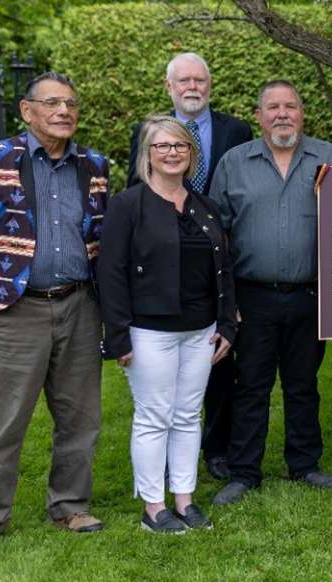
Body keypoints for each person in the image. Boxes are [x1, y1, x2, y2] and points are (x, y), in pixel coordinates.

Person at [0, 72, 109, 556]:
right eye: (52, 103)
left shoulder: (95, 166)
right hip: (13, 312)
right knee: (2, 421)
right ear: (27, 111)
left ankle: (70, 505)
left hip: (80, 306)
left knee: (79, 418)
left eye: (71, 104)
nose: (64, 112)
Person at [208, 80, 332, 506]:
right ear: (259, 115)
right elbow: (217, 234)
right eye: (273, 107)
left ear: (302, 113)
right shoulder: (234, 163)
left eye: (290, 106)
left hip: (311, 295)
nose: (282, 114)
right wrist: (226, 303)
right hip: (253, 297)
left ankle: (305, 463)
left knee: (303, 384)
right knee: (250, 385)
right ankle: (244, 470)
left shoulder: (330, 159)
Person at [98, 116, 237, 533]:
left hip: (200, 331)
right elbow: (111, 272)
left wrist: (227, 324)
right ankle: (153, 507)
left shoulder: (205, 207)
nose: (172, 153)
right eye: (162, 146)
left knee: (188, 416)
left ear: (191, 155)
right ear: (148, 155)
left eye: (179, 146)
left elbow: (224, 269)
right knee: (154, 416)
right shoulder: (127, 205)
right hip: (149, 332)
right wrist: (117, 335)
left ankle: (185, 500)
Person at [126, 52, 253, 481]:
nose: (192, 87)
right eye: (184, 81)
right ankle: (160, 457)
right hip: (162, 264)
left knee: (218, 369)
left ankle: (216, 450)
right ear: (170, 87)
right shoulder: (149, 133)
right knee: (161, 385)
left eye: (200, 79)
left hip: (216, 259)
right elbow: (135, 188)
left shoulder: (237, 130)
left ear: (209, 85)